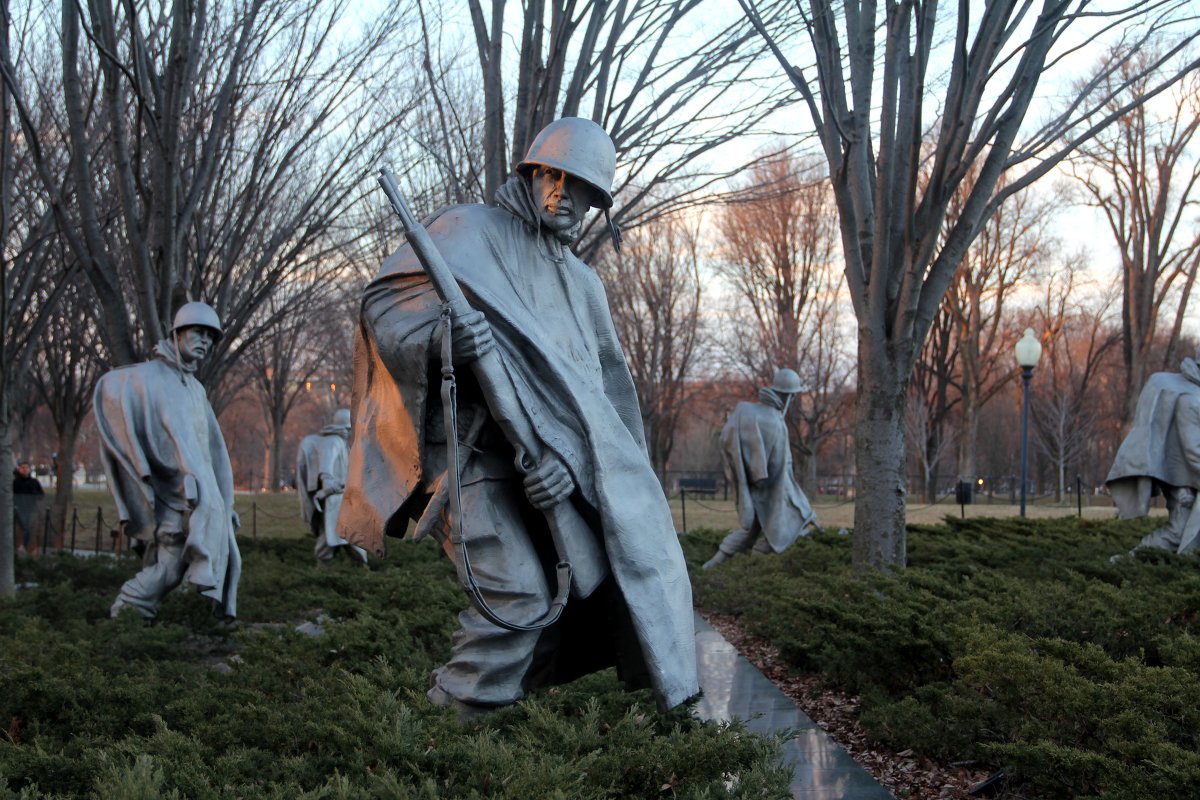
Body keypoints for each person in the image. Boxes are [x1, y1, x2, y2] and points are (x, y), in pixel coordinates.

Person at [340, 117, 697, 715]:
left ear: (595, 202)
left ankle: (486, 733)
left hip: (543, 479)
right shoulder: (465, 230)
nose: (562, 192)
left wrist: (571, 469)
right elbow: (385, 309)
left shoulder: (584, 287)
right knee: (518, 597)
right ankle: (445, 740)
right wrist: (444, 337)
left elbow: (605, 412)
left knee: (549, 614)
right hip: (469, 457)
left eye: (579, 185)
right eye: (551, 175)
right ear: (531, 174)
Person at [93, 301, 241, 619]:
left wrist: (224, 504)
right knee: (170, 567)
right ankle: (128, 611)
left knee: (172, 566)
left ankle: (141, 617)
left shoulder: (196, 389)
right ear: (177, 334)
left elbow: (212, 452)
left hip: (196, 499)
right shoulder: (151, 379)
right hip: (171, 498)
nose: (204, 341)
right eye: (197, 333)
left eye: (209, 337)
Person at [702, 368, 820, 569]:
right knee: (785, 522)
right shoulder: (775, 423)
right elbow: (779, 468)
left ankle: (717, 567)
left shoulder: (744, 410)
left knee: (753, 530)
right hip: (767, 489)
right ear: (788, 396)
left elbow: (727, 440)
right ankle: (742, 565)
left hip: (752, 484)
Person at [1107, 350, 1200, 556]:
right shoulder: (1191, 400)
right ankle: (1129, 562)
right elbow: (1194, 453)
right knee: (1177, 533)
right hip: (1184, 481)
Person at [297, 408, 366, 564]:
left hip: (344, 498)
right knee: (331, 537)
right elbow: (325, 468)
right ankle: (324, 568)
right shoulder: (333, 442)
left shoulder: (341, 442)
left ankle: (360, 567)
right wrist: (328, 483)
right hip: (335, 499)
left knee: (353, 537)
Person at [12, 461, 44, 555]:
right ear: (19, 469)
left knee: (26, 527)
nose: (24, 470)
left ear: (29, 469)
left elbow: (41, 495)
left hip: (27, 508)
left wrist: (34, 496)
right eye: (22, 468)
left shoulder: (34, 482)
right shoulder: (15, 482)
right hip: (15, 507)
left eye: (26, 468)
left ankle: (23, 546)